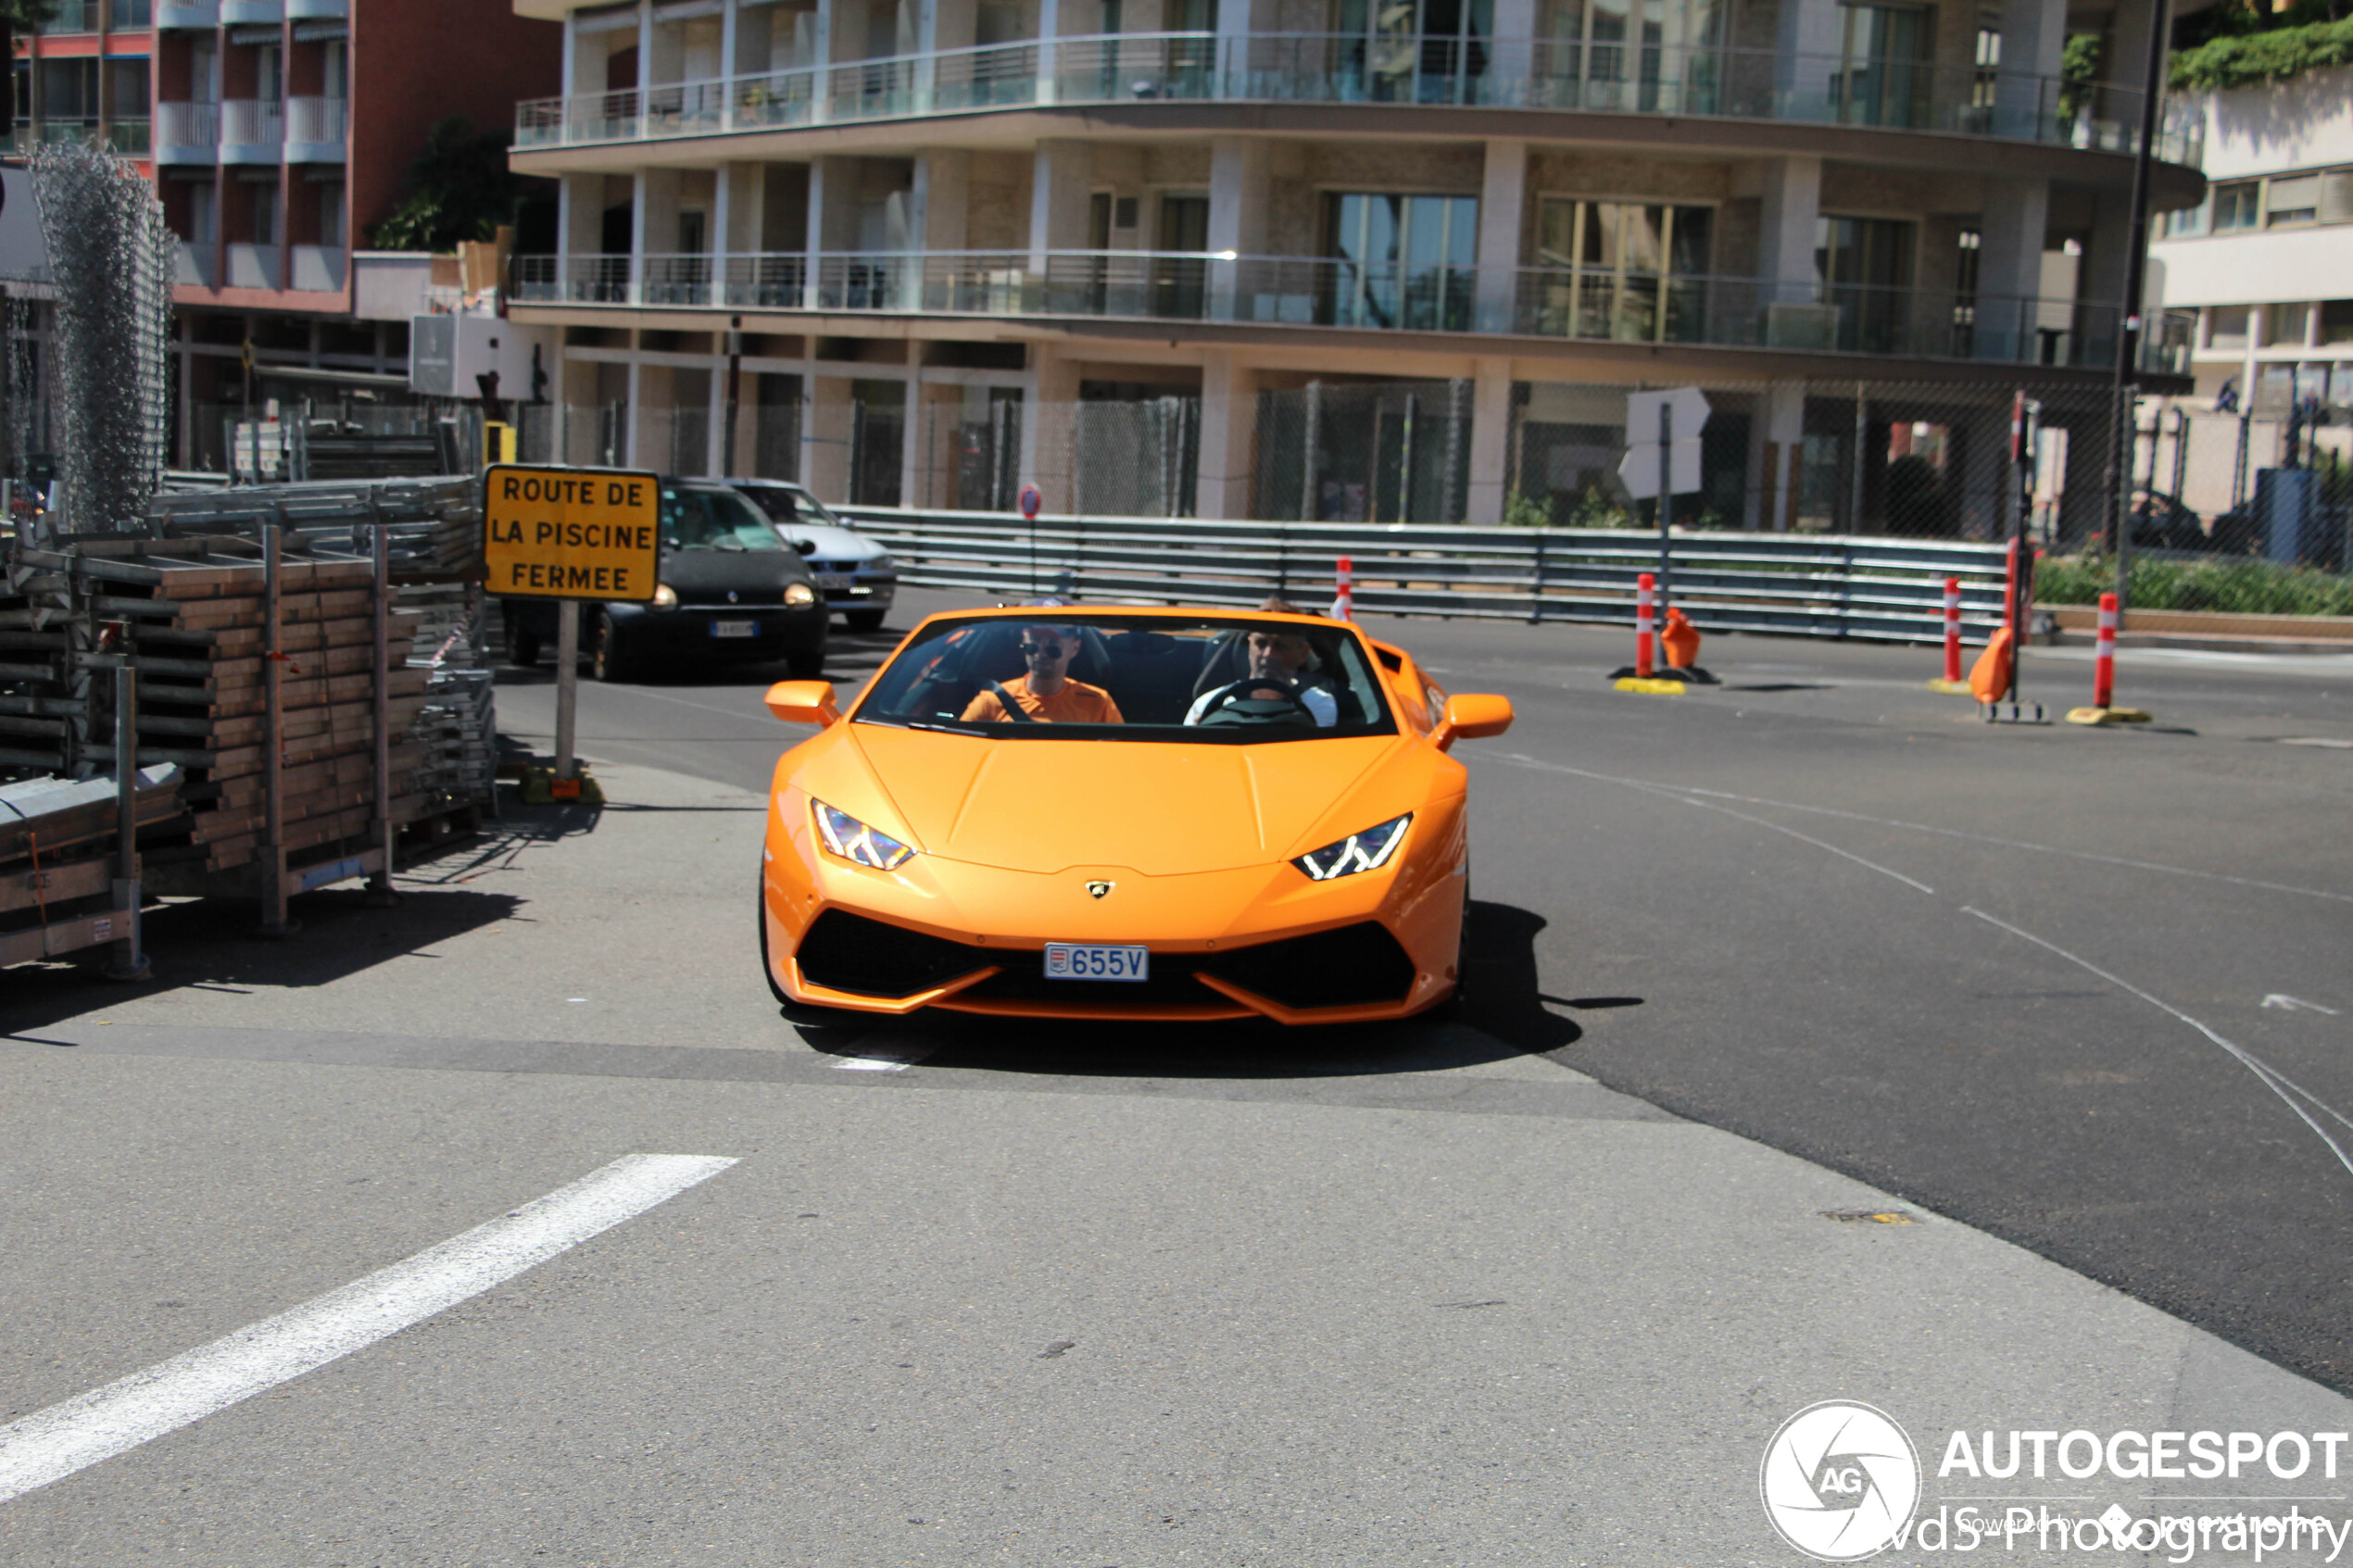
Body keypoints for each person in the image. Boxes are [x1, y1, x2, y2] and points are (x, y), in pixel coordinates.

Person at [1186, 601, 1340, 726]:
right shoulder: (1207, 704)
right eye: (1261, 643)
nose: (1268, 654)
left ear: (1302, 653)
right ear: (1249, 646)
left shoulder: (1319, 705)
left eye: (1280, 646)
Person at [961, 624, 1124, 723]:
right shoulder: (992, 700)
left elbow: (1120, 753)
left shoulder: (1098, 702)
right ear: (1024, 645)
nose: (1041, 653)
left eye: (1053, 645)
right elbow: (960, 746)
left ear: (1074, 649)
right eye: (1034, 644)